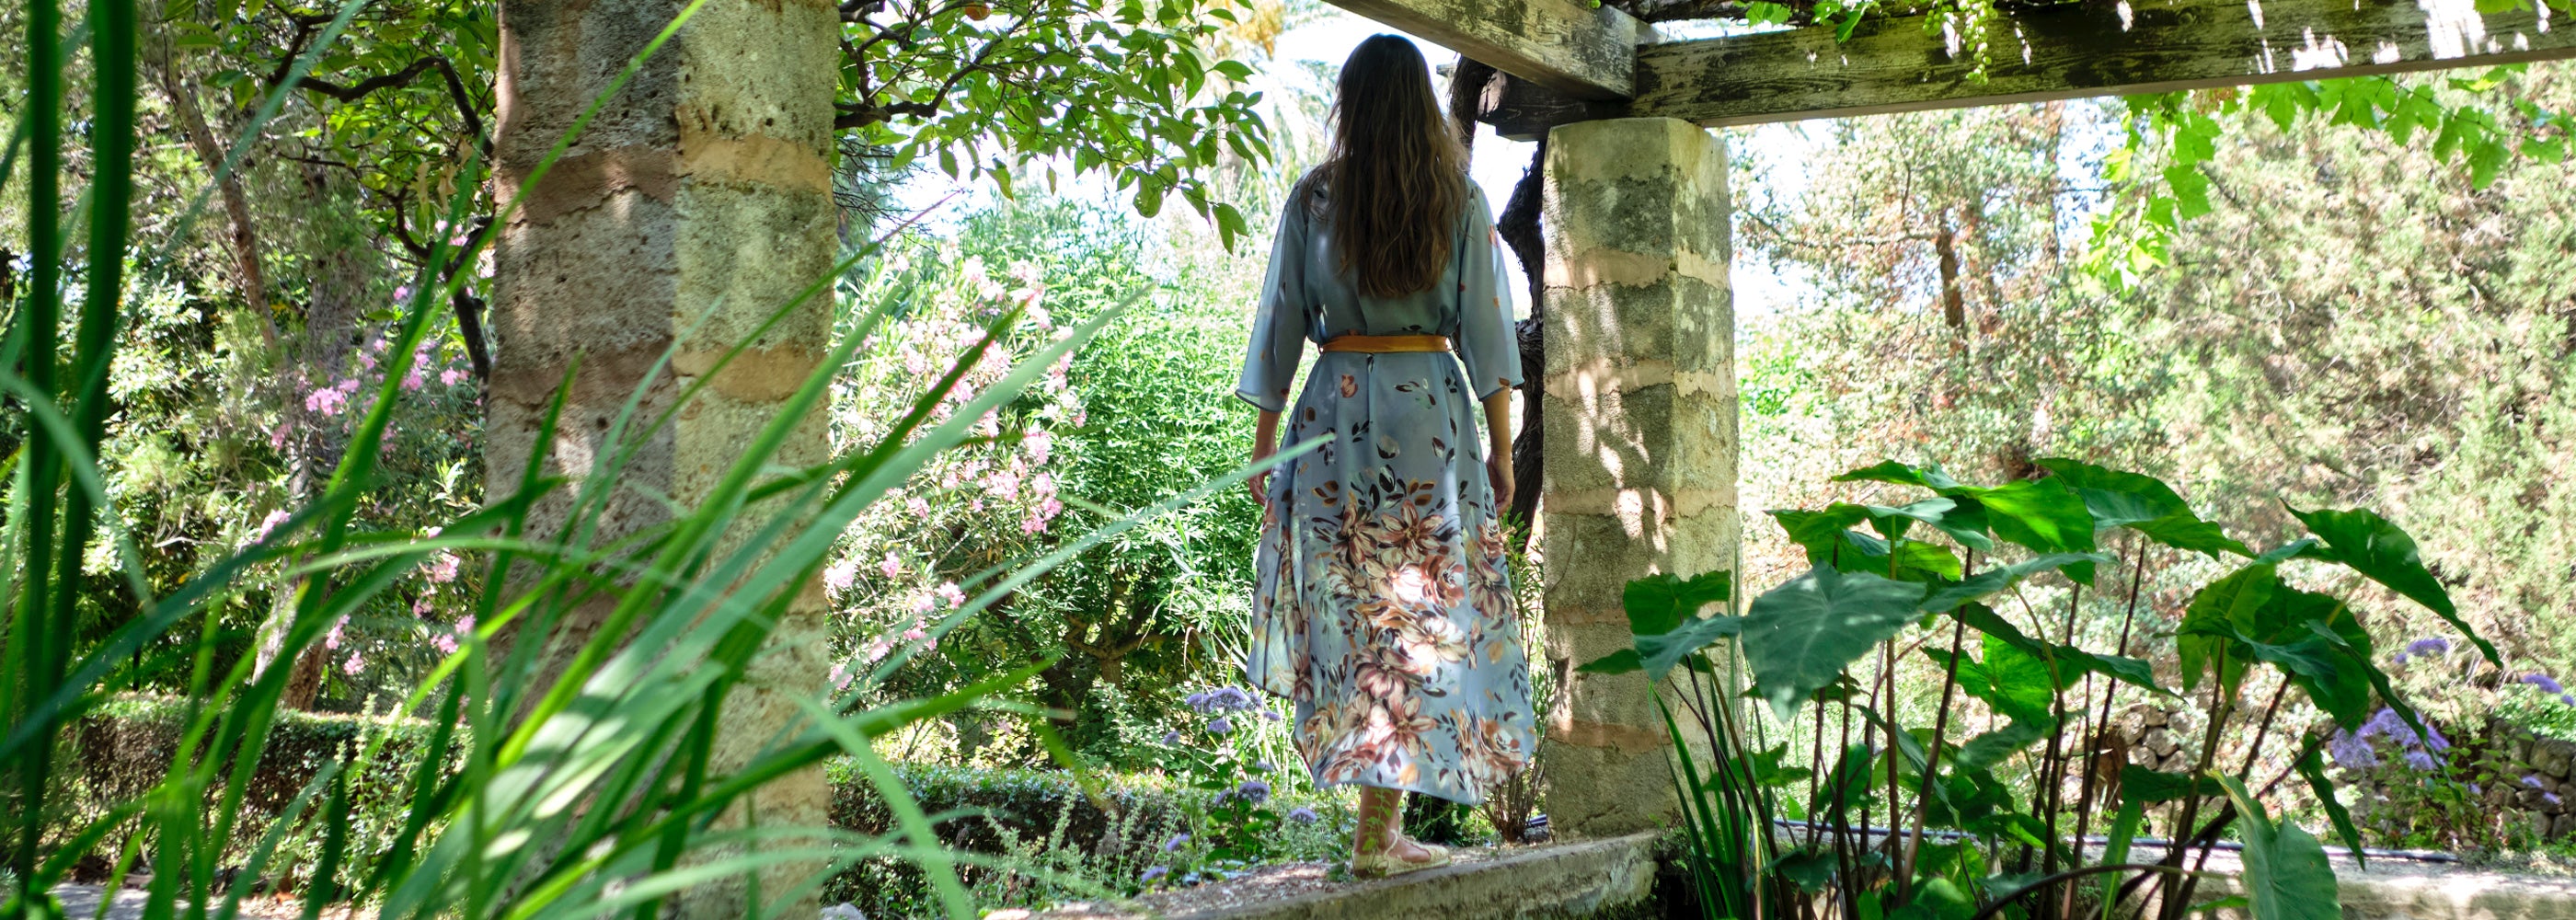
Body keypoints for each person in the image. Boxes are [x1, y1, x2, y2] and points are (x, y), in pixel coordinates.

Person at [1235, 34, 1535, 879]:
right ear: (1421, 106)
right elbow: (1488, 337)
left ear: (1352, 103)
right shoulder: (1458, 199)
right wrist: (1502, 451)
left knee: (1362, 616)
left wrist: (1264, 449)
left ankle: (1375, 827)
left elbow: (1279, 323)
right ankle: (1378, 832)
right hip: (1429, 421)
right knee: (1415, 617)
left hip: (1334, 417)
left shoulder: (1316, 197)